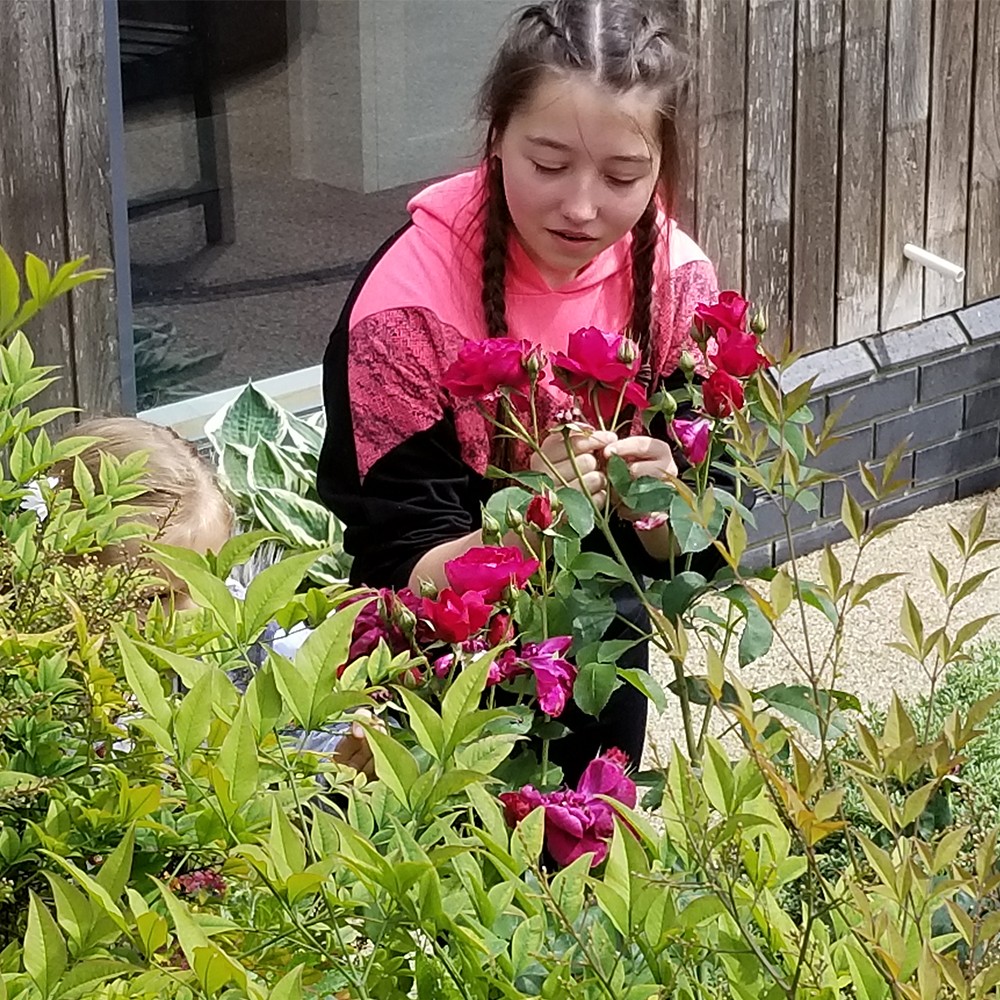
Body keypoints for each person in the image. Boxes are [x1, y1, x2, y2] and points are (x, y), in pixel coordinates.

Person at [317, 0, 720, 787]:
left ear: (660, 170)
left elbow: (705, 537)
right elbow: (398, 564)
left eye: (622, 176)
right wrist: (531, 520)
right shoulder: (406, 310)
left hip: (606, 662)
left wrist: (665, 509)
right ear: (496, 137)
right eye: (547, 163)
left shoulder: (676, 283)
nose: (580, 206)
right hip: (442, 693)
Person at [53, 417, 378, 778]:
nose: (197, 608)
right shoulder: (58, 685)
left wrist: (342, 748)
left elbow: (306, 727)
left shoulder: (249, 630)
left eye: (211, 579)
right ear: (69, 584)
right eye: (156, 597)